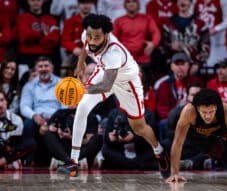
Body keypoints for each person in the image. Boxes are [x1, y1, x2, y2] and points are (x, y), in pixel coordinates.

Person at [57, 14, 170, 178]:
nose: (93, 40)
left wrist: (83, 89)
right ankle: (73, 162)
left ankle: (159, 151)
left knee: (139, 127)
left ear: (107, 35)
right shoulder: (88, 35)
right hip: (104, 72)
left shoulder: (114, 52)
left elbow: (106, 86)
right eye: (90, 36)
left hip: (126, 82)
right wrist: (81, 63)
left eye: (97, 37)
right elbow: (85, 47)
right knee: (82, 107)